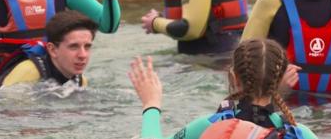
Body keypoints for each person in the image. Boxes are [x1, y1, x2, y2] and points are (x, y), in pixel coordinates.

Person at [128, 39, 317, 139]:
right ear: (279, 82)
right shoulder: (299, 133)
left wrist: (151, 103)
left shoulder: (208, 126)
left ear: (234, 78)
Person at [0, 10, 97, 87]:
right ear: (52, 50)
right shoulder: (28, 73)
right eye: (73, 47)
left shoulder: (81, 81)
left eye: (87, 47)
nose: (83, 55)